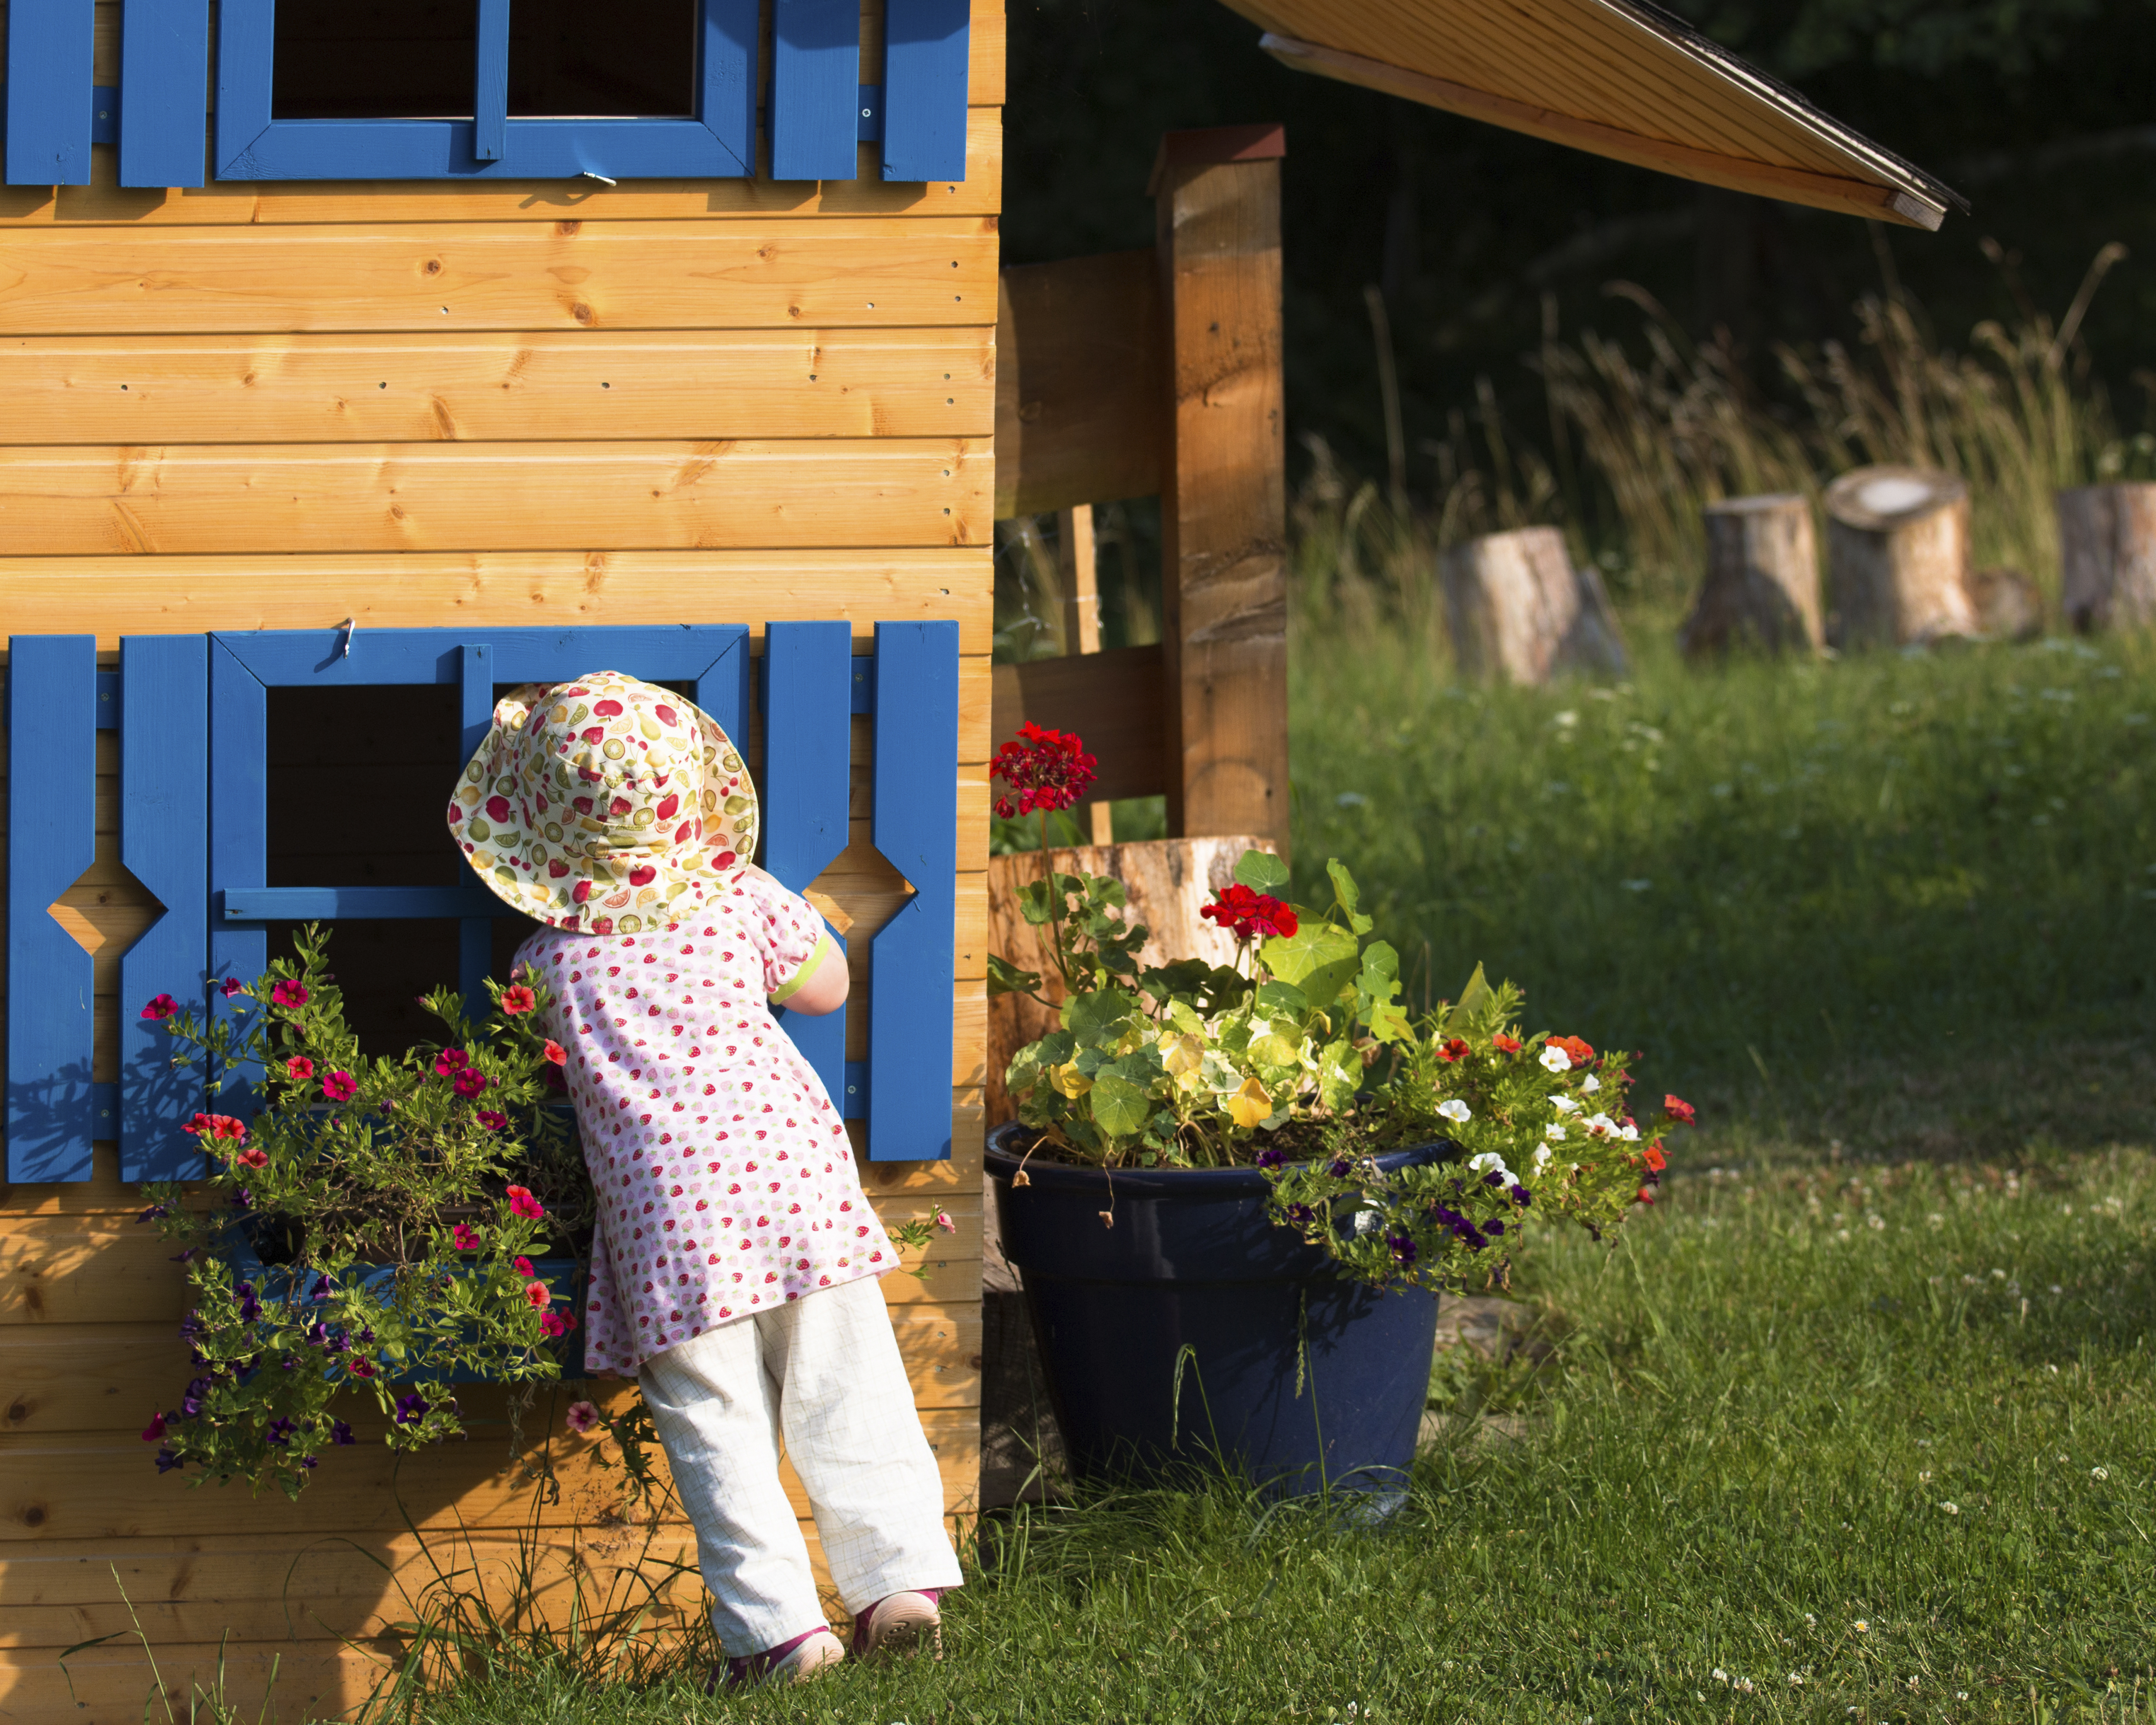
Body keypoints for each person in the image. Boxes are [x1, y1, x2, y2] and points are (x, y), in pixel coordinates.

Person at [447, 670, 960, 1687]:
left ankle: (781, 1637)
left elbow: (511, 1057)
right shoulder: (745, 898)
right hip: (792, 1182)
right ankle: (896, 1585)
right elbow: (825, 989)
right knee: (848, 1384)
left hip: (667, 1221)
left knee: (715, 1425)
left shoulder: (546, 961)